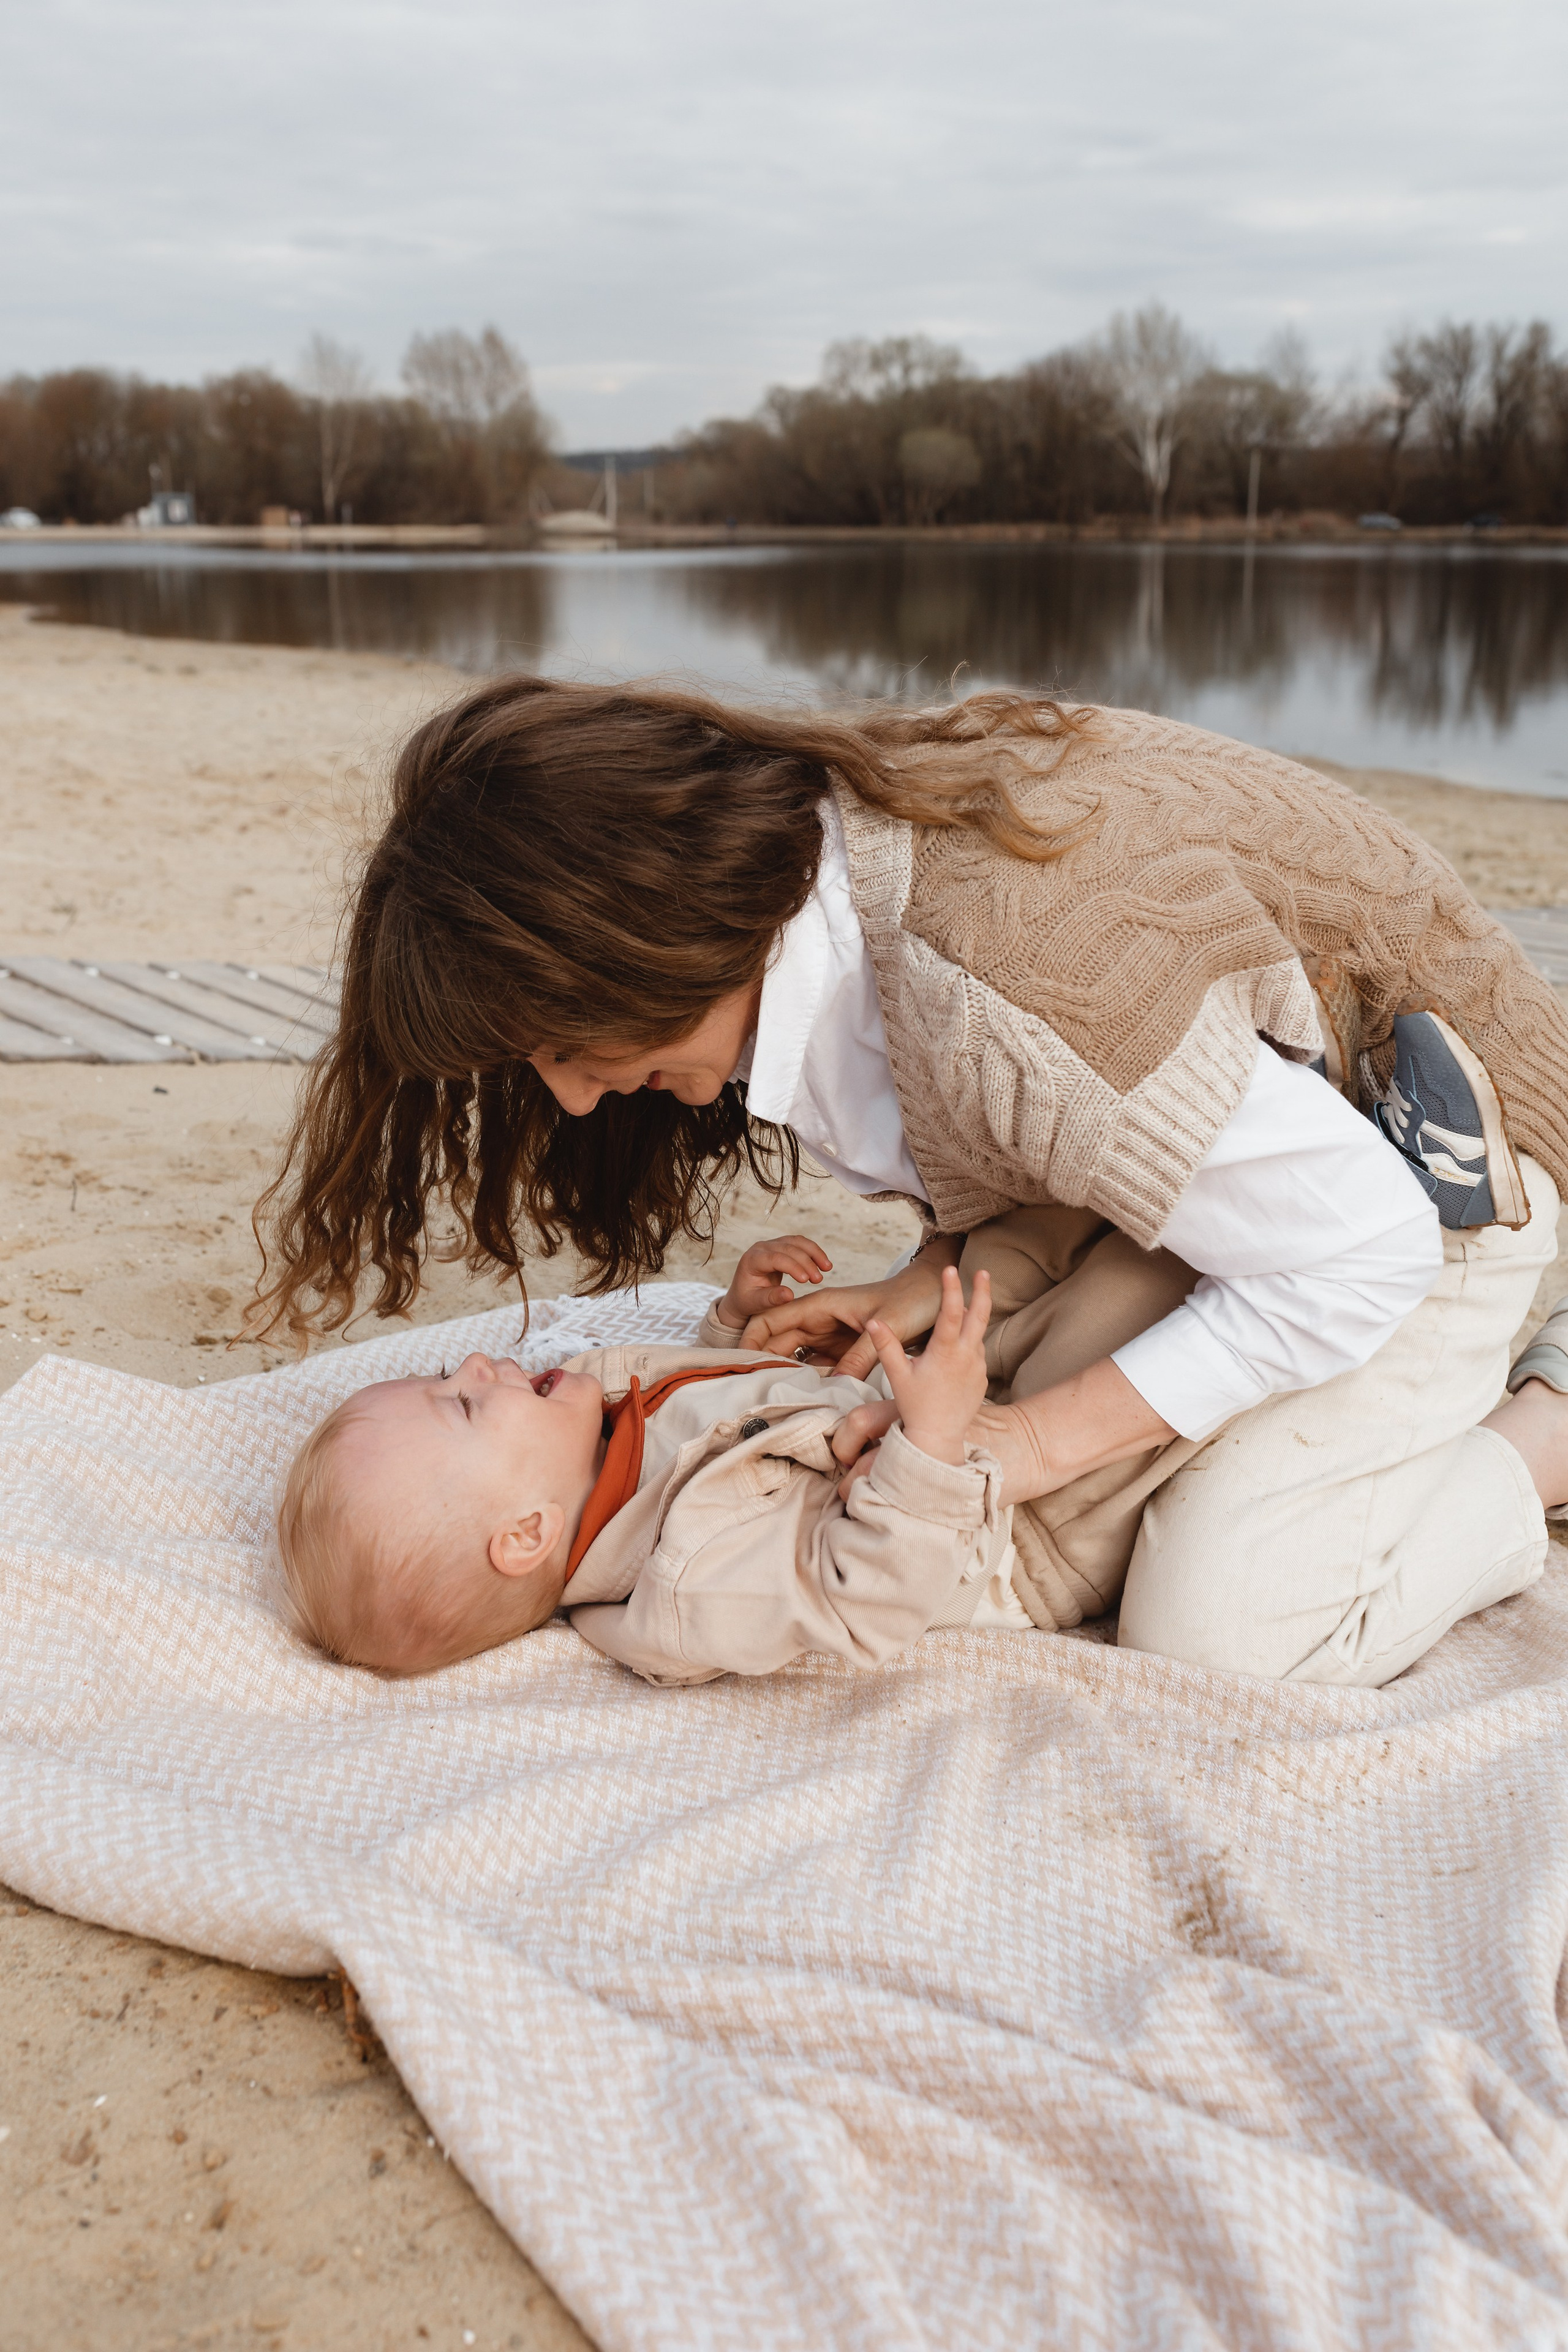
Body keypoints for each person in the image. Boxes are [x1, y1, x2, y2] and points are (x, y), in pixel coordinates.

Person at [252, 676, 1568, 1687]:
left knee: (1215, 1635)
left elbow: (1361, 1247)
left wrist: (1025, 1439)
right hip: (1262, 1174)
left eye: (560, 1043)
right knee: (1058, 1336)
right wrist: (921, 1283)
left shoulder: (1000, 990)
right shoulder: (836, 911)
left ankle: (1544, 1428)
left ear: (632, 938)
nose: (573, 1098)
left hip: (1439, 1183)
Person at [276, 1243, 1016, 1683]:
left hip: (922, 1392)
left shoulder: (592, 1411)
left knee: (1042, 1238)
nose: (472, 1363)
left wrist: (732, 1326)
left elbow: (721, 1413)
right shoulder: (684, 1588)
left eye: (444, 1372)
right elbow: (867, 1601)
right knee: (1110, 1284)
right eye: (464, 1404)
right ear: (528, 1534)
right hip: (1013, 1527)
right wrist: (932, 1444)